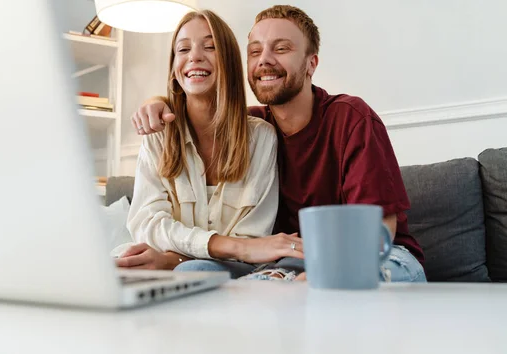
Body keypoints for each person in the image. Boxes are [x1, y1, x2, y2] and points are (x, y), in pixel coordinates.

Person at [130, 5, 427, 283]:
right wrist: (156, 102)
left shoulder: (351, 118)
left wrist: (330, 272)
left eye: (281, 48)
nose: (265, 60)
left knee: (326, 287)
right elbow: (199, 112)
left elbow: (379, 231)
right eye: (255, 51)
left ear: (311, 63)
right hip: (293, 260)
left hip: (380, 255)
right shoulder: (250, 129)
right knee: (226, 282)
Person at [116, 10, 301, 279]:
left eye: (210, 46)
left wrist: (174, 259)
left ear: (228, 61)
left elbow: (252, 240)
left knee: (195, 269)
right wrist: (223, 246)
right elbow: (147, 223)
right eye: (183, 49)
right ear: (174, 67)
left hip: (231, 270)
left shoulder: (261, 137)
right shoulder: (159, 133)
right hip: (161, 266)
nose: (195, 56)